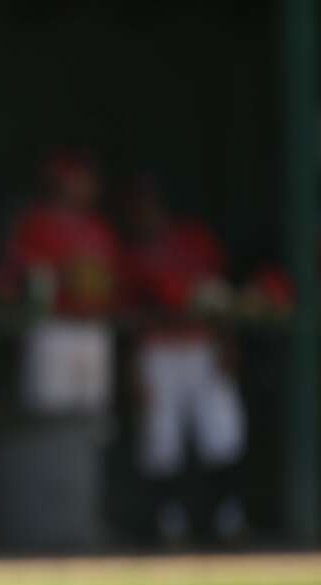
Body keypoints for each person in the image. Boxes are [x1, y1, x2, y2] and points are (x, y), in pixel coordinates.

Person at [120, 177, 246, 544]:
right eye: (138, 207)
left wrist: (227, 343)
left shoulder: (194, 240)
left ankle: (228, 518)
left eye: (150, 204)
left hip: (202, 347)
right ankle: (169, 524)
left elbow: (220, 298)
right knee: (161, 441)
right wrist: (133, 368)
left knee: (222, 432)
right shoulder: (130, 253)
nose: (145, 213)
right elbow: (129, 320)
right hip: (157, 351)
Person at [6, 151, 121, 415]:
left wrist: (96, 280)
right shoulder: (34, 222)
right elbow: (20, 273)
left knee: (91, 410)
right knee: (49, 411)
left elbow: (114, 277)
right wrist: (63, 275)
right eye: (78, 178)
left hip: (93, 325)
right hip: (53, 327)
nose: (85, 184)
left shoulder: (98, 227)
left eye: (88, 179)